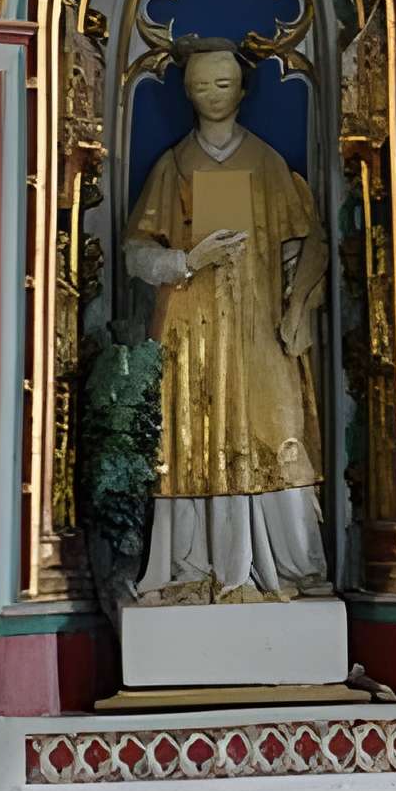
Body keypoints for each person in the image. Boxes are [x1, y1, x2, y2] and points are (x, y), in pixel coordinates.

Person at [121, 45, 332, 604]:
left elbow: (302, 248)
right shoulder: (175, 166)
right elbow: (136, 253)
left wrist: (296, 307)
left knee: (275, 424)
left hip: (260, 329)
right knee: (189, 435)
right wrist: (189, 260)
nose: (211, 95)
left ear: (242, 90)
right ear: (186, 92)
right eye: (199, 86)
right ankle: (192, 566)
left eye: (222, 84)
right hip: (190, 330)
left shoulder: (266, 164)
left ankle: (285, 565)